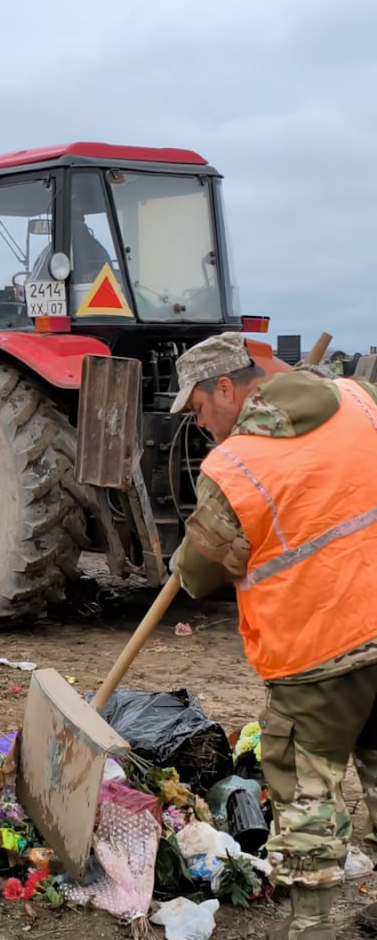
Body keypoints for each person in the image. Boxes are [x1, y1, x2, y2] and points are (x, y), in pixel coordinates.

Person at [170, 332, 377, 940]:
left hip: (317, 659)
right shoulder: (358, 398)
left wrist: (220, 551)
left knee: (308, 801)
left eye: (200, 408)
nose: (200, 422)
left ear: (227, 388)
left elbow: (196, 575)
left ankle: (311, 932)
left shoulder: (235, 466)